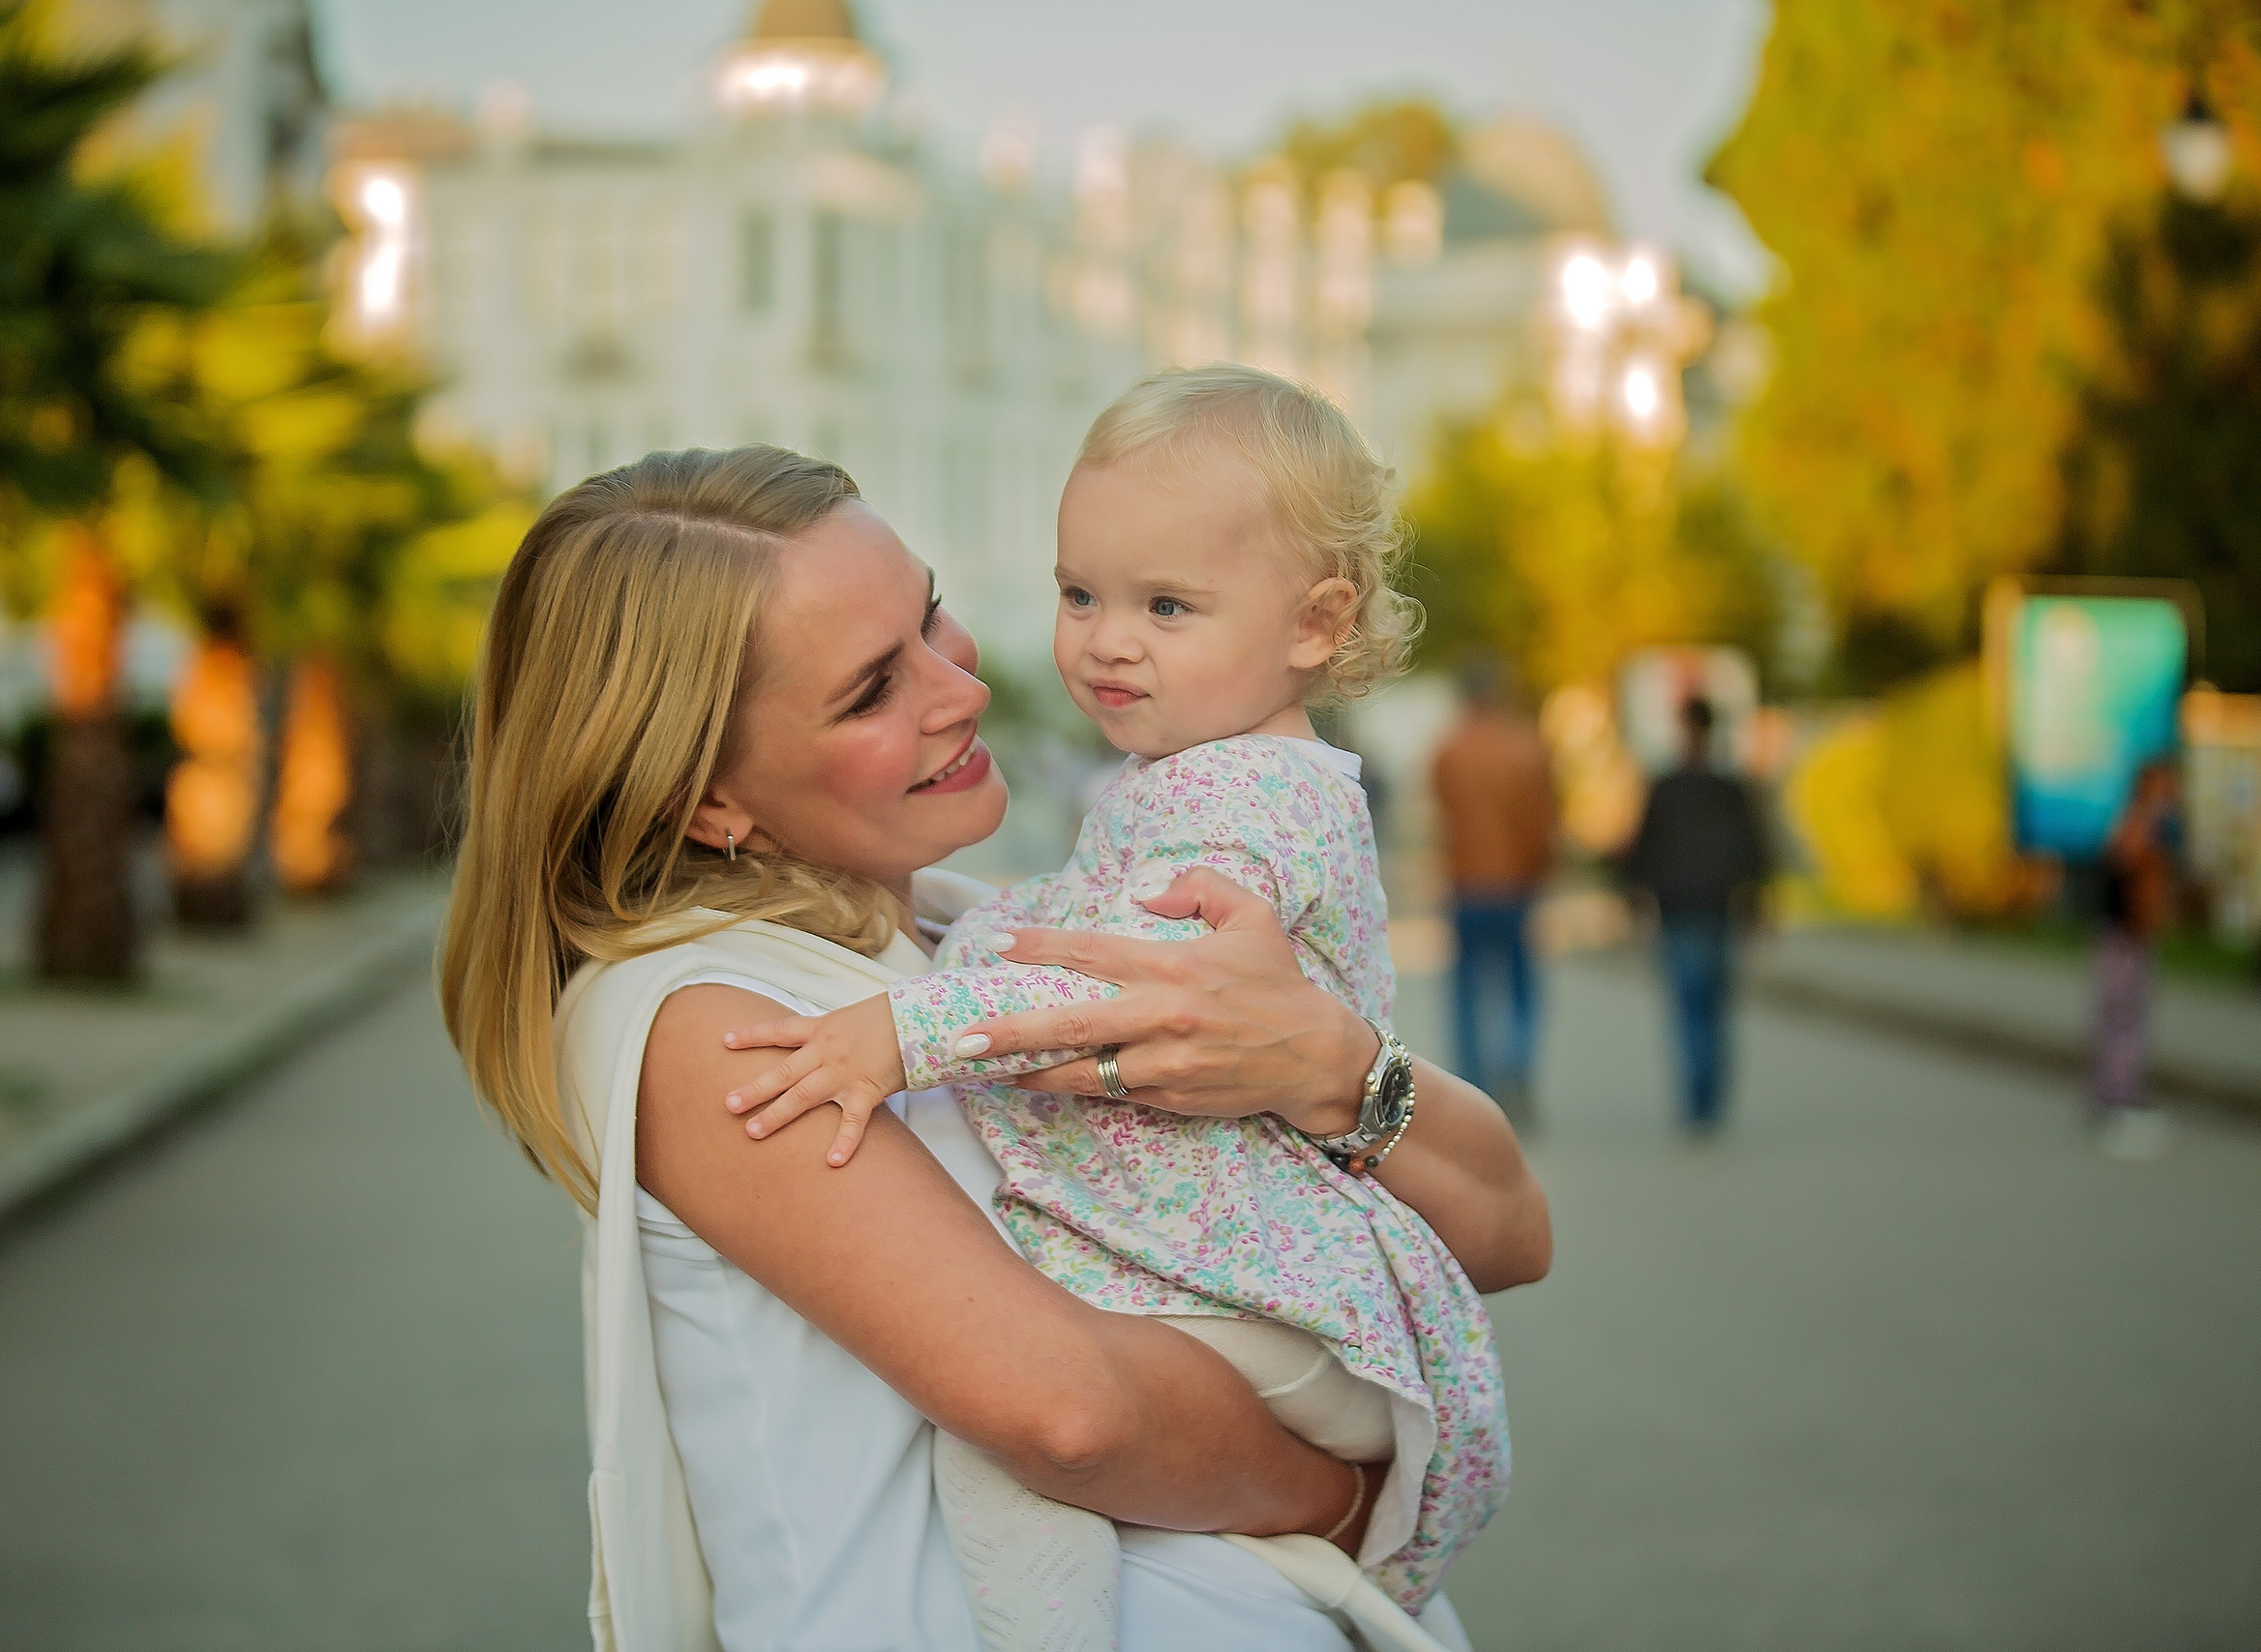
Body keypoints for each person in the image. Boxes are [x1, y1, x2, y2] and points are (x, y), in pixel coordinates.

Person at [438, 445, 1551, 1652]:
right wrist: (1339, 1506)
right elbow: (1068, 1413)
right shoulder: (712, 1026)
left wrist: (1326, 1065)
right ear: (706, 802)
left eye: (928, 616)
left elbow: (1507, 1229)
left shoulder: (974, 931)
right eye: (871, 689)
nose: (956, 688)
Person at [722, 366, 1500, 1612]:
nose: (1104, 639)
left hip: (1259, 1293)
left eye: (1168, 605)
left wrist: (898, 1030)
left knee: (1005, 1463)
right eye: (1077, 593)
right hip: (1269, 1283)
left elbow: (1109, 994)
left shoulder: (1236, 803)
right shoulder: (1237, 772)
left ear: (1313, 624)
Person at [1621, 696, 1768, 1133]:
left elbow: (1643, 849)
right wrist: (1758, 901)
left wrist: (1635, 894)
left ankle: (1698, 1099)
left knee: (1690, 1008)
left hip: (1682, 909)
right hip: (1715, 907)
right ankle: (1709, 1096)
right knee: (1713, 1007)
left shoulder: (1668, 786)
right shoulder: (1730, 788)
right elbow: (1753, 850)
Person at [1430, 657, 1556, 1127]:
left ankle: (1473, 1088)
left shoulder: (1448, 750)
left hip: (1465, 883)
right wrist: (1539, 870)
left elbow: (1444, 816)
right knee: (1520, 985)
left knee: (1466, 990)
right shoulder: (1525, 747)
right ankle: (1517, 1063)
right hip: (1516, 885)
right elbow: (1542, 821)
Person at [2090, 759, 2180, 1160]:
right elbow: (2120, 861)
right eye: (2164, 787)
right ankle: (2116, 1101)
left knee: (2127, 1019)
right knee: (2122, 1020)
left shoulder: (2150, 826)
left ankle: (2119, 1096)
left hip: (2134, 937)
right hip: (2123, 938)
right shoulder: (2136, 823)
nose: (2171, 794)